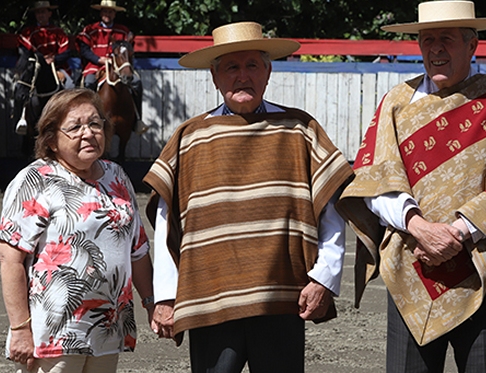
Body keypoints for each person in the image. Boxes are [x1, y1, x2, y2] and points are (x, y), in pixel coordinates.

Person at [335, 1, 486, 372]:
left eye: (447, 39)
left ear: (472, 46)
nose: (436, 48)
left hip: (484, 273)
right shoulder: (396, 103)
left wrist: (458, 232)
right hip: (411, 271)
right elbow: (373, 179)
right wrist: (418, 227)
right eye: (428, 39)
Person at [142, 21, 354, 373]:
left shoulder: (299, 129)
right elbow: (166, 222)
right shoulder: (189, 138)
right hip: (209, 297)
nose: (243, 76)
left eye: (252, 65)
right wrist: (165, 296)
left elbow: (330, 211)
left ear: (268, 71)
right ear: (214, 76)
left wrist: (324, 279)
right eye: (232, 67)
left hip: (282, 299)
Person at [0, 88, 155, 372]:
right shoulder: (34, 180)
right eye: (75, 127)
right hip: (55, 333)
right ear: (52, 140)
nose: (88, 132)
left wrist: (153, 302)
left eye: (95, 123)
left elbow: (138, 250)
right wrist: (20, 328)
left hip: (108, 328)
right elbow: (10, 259)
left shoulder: (117, 176)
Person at [76, 0, 145, 133]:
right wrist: (98, 59)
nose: (107, 14)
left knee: (136, 83)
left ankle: (137, 119)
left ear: (114, 14)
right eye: (105, 11)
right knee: (89, 82)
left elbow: (128, 51)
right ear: (101, 13)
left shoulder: (123, 31)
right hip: (96, 66)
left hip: (118, 67)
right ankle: (85, 119)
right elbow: (84, 50)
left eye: (110, 12)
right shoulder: (90, 30)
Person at [14, 1, 75, 135]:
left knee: (71, 87)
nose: (41, 15)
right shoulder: (29, 32)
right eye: (38, 12)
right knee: (21, 89)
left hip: (57, 67)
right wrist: (40, 59)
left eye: (43, 12)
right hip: (34, 68)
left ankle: (71, 122)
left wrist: (54, 59)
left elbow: (66, 52)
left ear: (49, 13)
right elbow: (25, 51)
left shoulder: (58, 32)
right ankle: (21, 119)